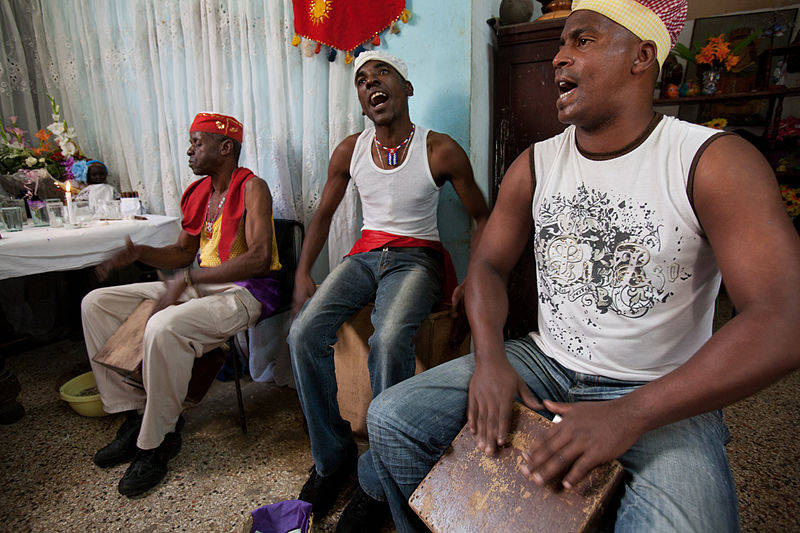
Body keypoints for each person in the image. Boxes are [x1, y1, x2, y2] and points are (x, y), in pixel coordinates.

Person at [365, 1, 800, 531]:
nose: (558, 59)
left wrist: (631, 414)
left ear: (641, 57)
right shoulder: (536, 163)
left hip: (659, 386)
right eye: (559, 45)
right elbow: (487, 269)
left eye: (582, 41)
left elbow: (783, 318)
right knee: (391, 421)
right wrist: (490, 360)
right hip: (545, 361)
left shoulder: (711, 161)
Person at [288, 51, 489, 531]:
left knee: (392, 335)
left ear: (407, 88)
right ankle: (332, 458)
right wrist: (302, 273)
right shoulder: (350, 150)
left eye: (382, 74)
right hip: (362, 257)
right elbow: (323, 216)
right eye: (362, 80)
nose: (371, 83)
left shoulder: (440, 149)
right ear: (360, 100)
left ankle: (381, 475)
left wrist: (474, 277)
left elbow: (482, 214)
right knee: (303, 334)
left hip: (416, 258)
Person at [81, 112, 282, 497]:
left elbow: (258, 258)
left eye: (197, 142)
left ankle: (157, 442)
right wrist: (139, 252)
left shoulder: (254, 188)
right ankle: (137, 414)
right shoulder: (198, 193)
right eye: (190, 143)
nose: (189, 151)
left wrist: (188, 280)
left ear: (225, 147)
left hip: (245, 293)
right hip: (201, 287)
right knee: (96, 304)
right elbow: (181, 252)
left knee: (163, 325)